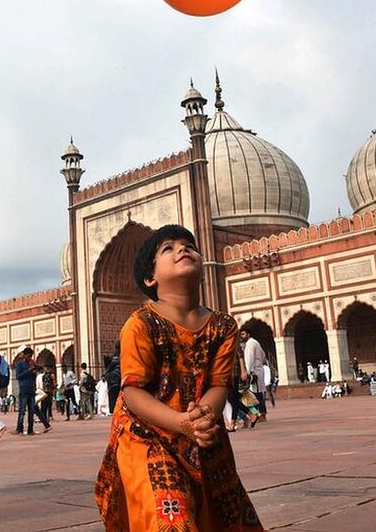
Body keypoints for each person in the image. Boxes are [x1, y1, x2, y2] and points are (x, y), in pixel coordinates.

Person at [94, 224, 262, 531]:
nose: (182, 249)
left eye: (189, 245)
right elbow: (132, 392)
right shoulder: (141, 323)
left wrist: (202, 417)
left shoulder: (223, 326)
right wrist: (181, 422)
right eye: (167, 248)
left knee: (224, 516)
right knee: (171, 516)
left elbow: (218, 383)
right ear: (150, 278)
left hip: (202, 432)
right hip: (147, 433)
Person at [13, 347, 50, 435]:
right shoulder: (19, 364)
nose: (30, 358)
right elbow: (18, 376)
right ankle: (20, 428)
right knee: (22, 411)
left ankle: (30, 429)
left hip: (31, 389)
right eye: (28, 356)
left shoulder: (32, 364)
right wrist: (28, 371)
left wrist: (35, 371)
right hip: (24, 389)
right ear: (25, 355)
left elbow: (34, 376)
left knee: (31, 411)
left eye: (31, 356)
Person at [241, 326, 268, 422]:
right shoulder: (255, 342)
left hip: (254, 372)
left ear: (248, 334)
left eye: (243, 334)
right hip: (259, 370)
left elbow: (249, 359)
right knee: (258, 393)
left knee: (256, 394)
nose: (242, 336)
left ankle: (261, 414)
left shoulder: (250, 344)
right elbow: (263, 356)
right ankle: (261, 413)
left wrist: (248, 372)